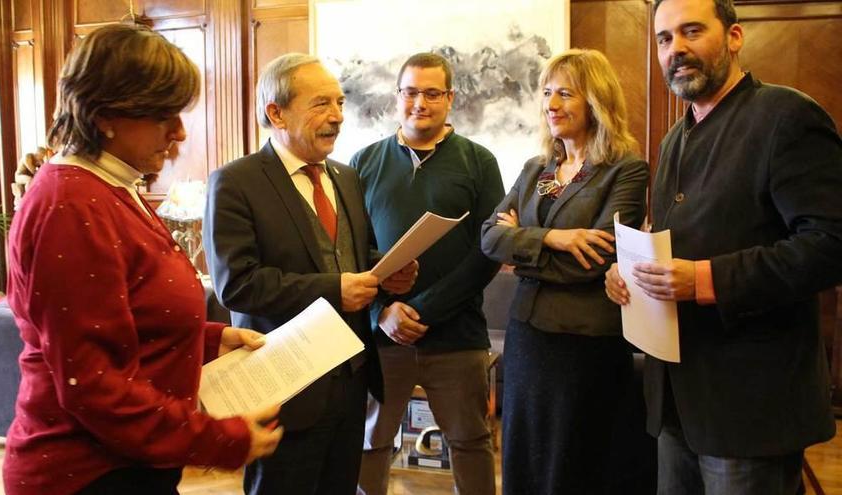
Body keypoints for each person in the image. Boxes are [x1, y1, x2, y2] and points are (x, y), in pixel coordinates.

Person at [3, 24, 283, 495]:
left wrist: (212, 338)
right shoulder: (71, 204)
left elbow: (128, 318)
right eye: (163, 115)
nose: (178, 132)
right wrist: (216, 438)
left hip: (122, 466)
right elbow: (91, 383)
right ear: (107, 115)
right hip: (85, 475)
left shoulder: (109, 187)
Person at [603, 0, 842, 493]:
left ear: (734, 37)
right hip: (674, 402)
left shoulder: (787, 116)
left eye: (693, 31)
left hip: (751, 407)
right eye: (665, 38)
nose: (677, 49)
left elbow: (830, 243)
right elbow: (676, 240)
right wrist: (629, 274)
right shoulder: (673, 138)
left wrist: (706, 280)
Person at [202, 53, 417, 495]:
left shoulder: (346, 176)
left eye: (339, 103)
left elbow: (343, 256)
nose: (337, 116)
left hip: (352, 380)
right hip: (287, 386)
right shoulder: (235, 182)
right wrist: (335, 290)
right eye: (321, 104)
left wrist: (385, 274)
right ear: (275, 112)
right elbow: (236, 284)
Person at [481, 48, 649, 494]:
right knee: (522, 457)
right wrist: (555, 239)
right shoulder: (537, 168)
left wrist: (522, 245)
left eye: (565, 93)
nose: (551, 104)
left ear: (596, 100)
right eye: (546, 93)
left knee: (573, 463)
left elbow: (596, 260)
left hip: (584, 345)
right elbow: (488, 238)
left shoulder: (625, 170)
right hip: (527, 336)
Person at [353, 52, 504, 495]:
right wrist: (383, 310)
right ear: (397, 96)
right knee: (371, 443)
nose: (420, 102)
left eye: (432, 93)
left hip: (457, 334)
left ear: (450, 98)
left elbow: (489, 250)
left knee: (472, 443)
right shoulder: (364, 162)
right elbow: (349, 248)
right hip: (382, 336)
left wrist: (422, 310)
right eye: (411, 92)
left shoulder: (479, 162)